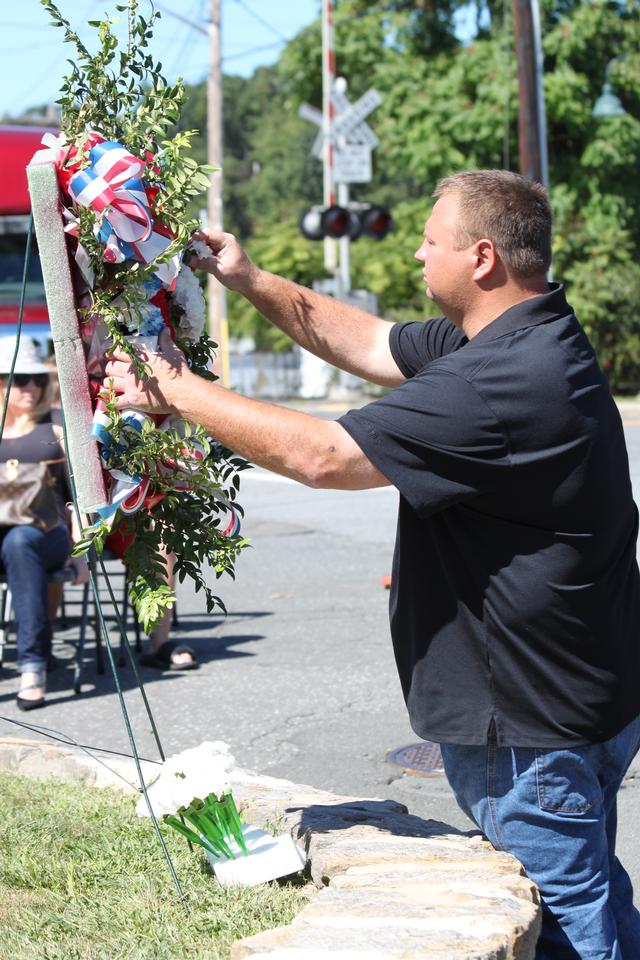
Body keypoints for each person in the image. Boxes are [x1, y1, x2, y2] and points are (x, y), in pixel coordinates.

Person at [105, 169, 640, 958]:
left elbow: (324, 456)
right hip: (578, 699)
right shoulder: (523, 333)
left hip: (529, 727)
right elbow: (361, 339)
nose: (418, 256)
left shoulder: (499, 381)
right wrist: (246, 276)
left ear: (482, 258)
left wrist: (176, 390)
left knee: (568, 929)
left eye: (432, 242)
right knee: (597, 897)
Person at [0, 336, 88, 710]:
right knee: (14, 542)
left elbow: (78, 495)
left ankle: (33, 665)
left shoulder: (55, 428)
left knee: (20, 542)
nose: (31, 387)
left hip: (46, 535)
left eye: (37, 379)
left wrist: (82, 552)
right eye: (21, 379)